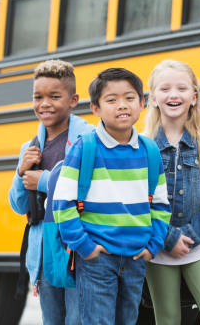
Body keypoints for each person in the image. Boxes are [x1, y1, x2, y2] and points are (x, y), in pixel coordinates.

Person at [53, 68, 170, 325]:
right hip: (97, 257)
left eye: (129, 98)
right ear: (95, 108)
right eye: (111, 100)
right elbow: (63, 204)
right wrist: (85, 247)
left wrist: (153, 246)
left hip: (136, 257)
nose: (122, 106)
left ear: (142, 103)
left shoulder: (150, 150)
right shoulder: (86, 147)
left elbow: (161, 205)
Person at [143, 60, 200, 325]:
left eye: (182, 88)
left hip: (198, 242)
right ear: (153, 98)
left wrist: (190, 234)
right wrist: (168, 237)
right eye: (165, 89)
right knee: (168, 317)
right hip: (159, 245)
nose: (174, 95)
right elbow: (137, 199)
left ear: (194, 97)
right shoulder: (143, 145)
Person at [9, 59, 92, 325]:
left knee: (78, 319)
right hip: (44, 249)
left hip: (77, 248)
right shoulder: (30, 147)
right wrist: (21, 172)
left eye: (54, 96)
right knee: (52, 320)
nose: (44, 104)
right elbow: (19, 206)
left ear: (73, 100)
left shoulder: (88, 140)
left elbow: (88, 188)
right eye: (38, 97)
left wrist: (43, 180)